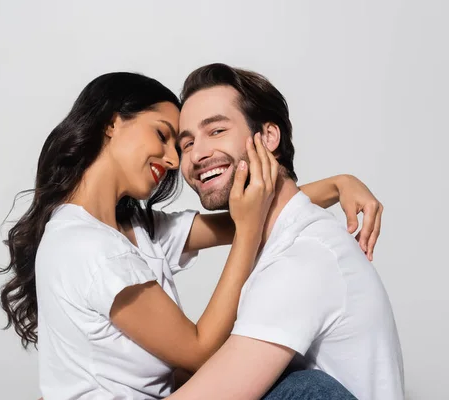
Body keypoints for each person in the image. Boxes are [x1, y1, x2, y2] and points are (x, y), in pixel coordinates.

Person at [0, 72, 382, 399]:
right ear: (113, 123)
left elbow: (252, 208)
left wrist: (338, 184)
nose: (172, 160)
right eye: (164, 136)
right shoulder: (87, 247)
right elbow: (198, 351)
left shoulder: (133, 230)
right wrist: (249, 232)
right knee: (308, 389)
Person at [166, 63, 404, 400]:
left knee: (303, 388)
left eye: (216, 131)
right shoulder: (284, 241)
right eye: (187, 144)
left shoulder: (303, 258)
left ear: (268, 137)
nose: (198, 154)